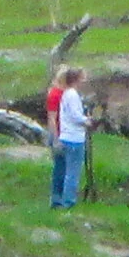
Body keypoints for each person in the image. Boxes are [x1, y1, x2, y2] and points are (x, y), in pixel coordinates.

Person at [48, 65, 90, 210]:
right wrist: (86, 121)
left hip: (65, 136)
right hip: (73, 139)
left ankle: (57, 200)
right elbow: (74, 115)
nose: (85, 81)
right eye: (83, 78)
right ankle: (68, 202)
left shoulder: (65, 94)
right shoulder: (72, 95)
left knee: (61, 169)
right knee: (72, 172)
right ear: (76, 79)